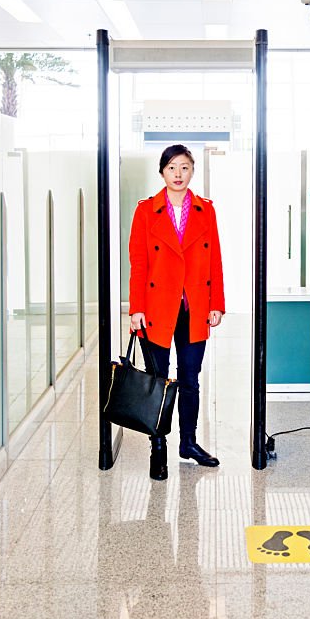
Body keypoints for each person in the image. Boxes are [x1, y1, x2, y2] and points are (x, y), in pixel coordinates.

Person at [128, 144, 225, 481]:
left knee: (190, 380)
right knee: (158, 382)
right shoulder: (145, 211)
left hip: (194, 306)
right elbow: (138, 264)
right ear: (162, 172)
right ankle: (159, 448)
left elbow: (215, 260)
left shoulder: (206, 211)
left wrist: (216, 303)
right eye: (172, 168)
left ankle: (188, 443)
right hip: (156, 306)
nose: (178, 174)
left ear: (192, 171)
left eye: (184, 168)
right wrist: (135, 308)